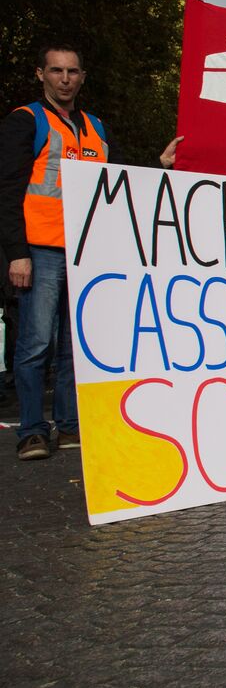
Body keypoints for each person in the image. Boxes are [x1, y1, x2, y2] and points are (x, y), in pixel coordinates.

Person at [0, 46, 110, 460]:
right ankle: (31, 430)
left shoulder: (97, 127)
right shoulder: (25, 121)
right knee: (34, 344)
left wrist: (162, 166)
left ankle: (67, 426)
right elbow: (8, 192)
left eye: (72, 71)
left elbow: (114, 186)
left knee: (72, 347)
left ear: (83, 77)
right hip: (39, 250)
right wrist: (16, 253)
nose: (65, 78)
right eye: (56, 71)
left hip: (85, 253)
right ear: (41, 74)